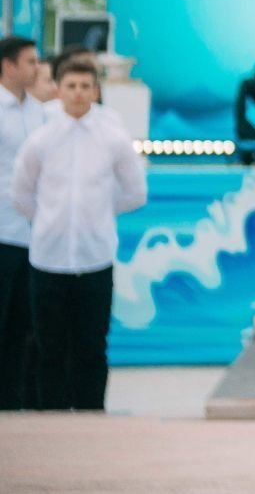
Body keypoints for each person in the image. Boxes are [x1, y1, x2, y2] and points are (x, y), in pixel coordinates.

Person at [10, 60, 147, 411]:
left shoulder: (113, 138)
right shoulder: (40, 140)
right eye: (71, 86)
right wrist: (49, 219)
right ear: (58, 90)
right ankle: (51, 423)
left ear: (96, 91)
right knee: (49, 348)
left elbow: (135, 192)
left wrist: (98, 214)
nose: (78, 93)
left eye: (86, 86)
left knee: (92, 347)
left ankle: (90, 420)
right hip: (47, 260)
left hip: (95, 259)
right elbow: (21, 194)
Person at [0, 36, 48, 409]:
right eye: (30, 61)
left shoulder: (40, 113)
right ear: (8, 65)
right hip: (2, 229)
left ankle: (15, 399)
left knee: (24, 323)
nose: (36, 67)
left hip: (34, 234)